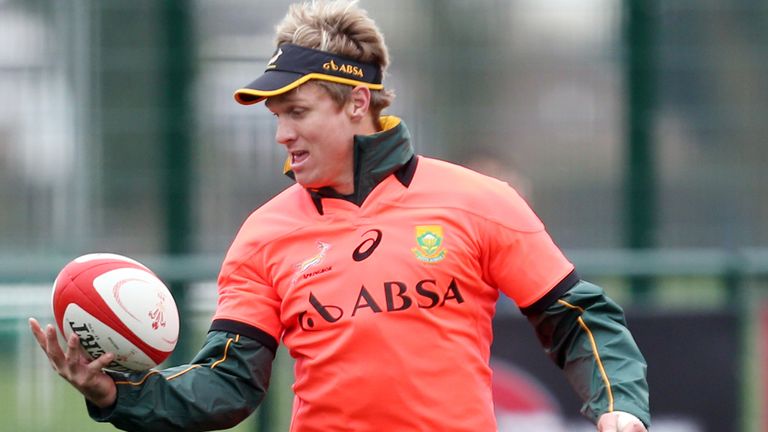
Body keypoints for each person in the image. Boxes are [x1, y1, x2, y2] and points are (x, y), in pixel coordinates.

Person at [29, 1, 650, 431]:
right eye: (276, 117)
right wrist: (117, 396)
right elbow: (226, 384)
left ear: (357, 103)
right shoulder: (264, 235)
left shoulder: (479, 200)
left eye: (297, 112)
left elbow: (578, 319)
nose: (281, 134)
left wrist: (619, 404)